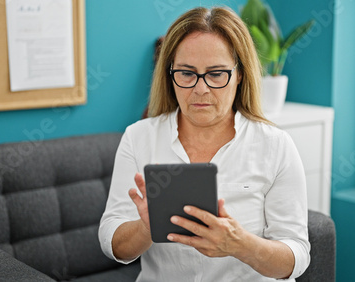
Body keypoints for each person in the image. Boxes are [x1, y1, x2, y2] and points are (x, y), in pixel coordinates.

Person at [99, 6, 310, 281]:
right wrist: (145, 229)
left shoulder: (275, 145)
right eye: (187, 73)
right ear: (170, 74)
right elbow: (112, 242)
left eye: (216, 74)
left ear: (239, 75)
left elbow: (296, 257)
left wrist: (240, 245)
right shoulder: (139, 138)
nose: (201, 89)